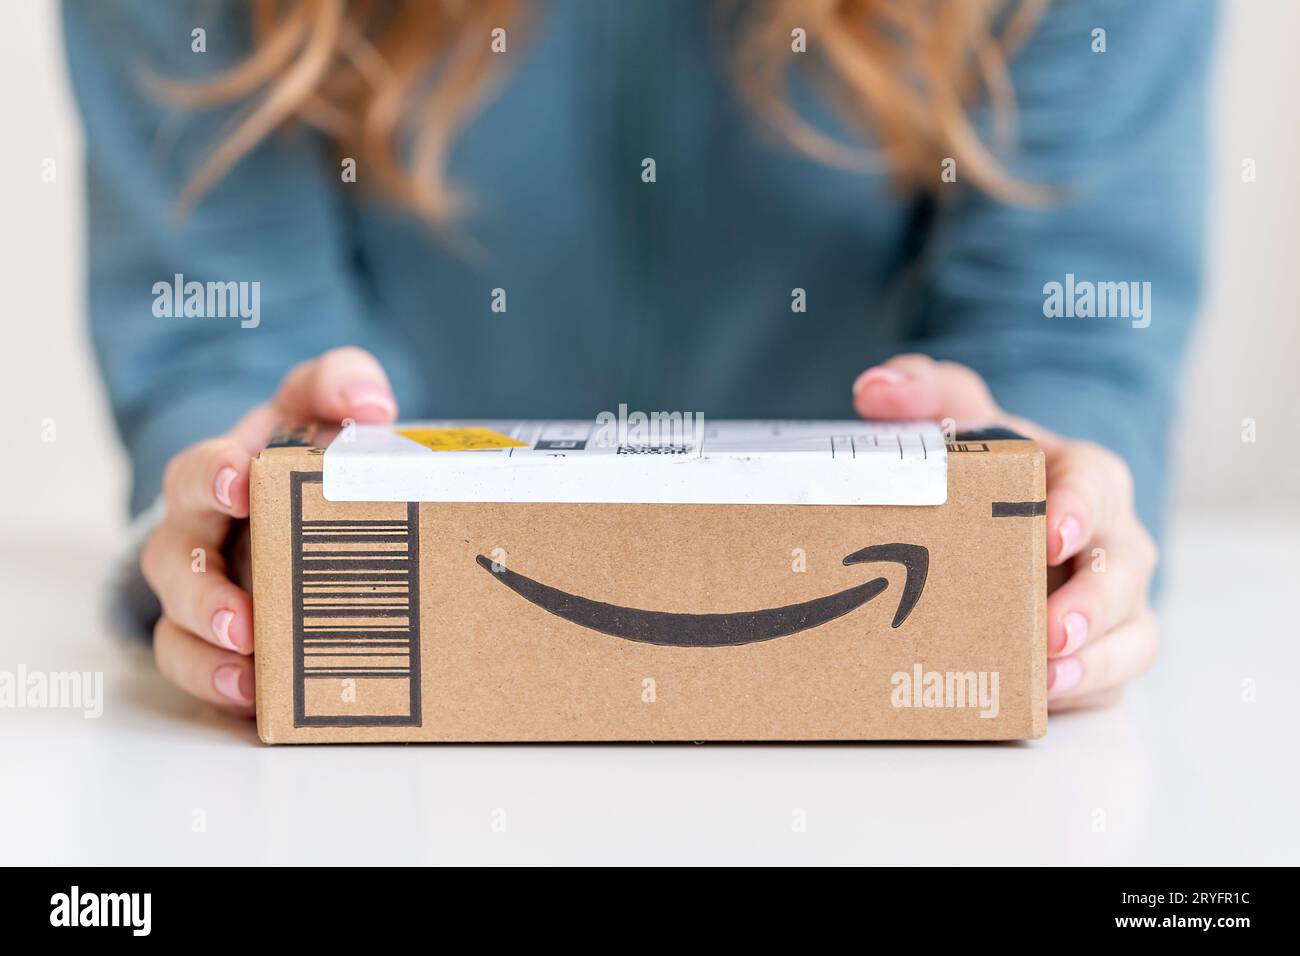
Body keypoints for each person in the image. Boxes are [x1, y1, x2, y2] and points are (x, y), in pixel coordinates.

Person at [61, 0, 1216, 716]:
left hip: (882, 694)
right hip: (393, 744)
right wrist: (235, 515)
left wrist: (1053, 507)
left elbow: (1065, 322)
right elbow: (222, 324)